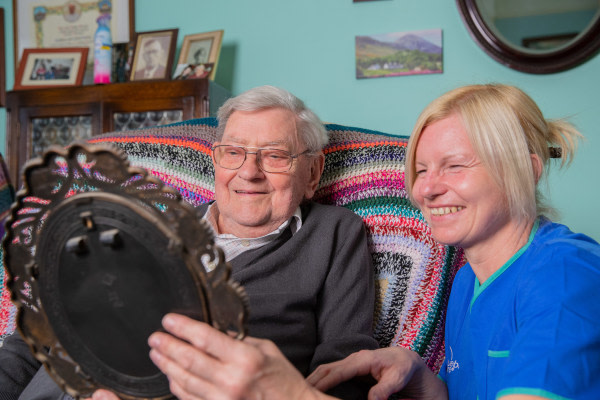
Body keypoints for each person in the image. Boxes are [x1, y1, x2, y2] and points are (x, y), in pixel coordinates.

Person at [115, 83, 600, 400]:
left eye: (454, 165)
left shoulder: (563, 275)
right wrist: (424, 382)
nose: (426, 188)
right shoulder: (471, 278)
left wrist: (287, 395)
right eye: (422, 169)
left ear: (526, 169)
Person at [0, 85, 378, 400]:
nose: (249, 172)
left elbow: (344, 367)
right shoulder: (152, 222)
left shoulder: (335, 233)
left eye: (275, 156)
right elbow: (39, 327)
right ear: (216, 162)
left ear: (312, 174)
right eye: (233, 152)